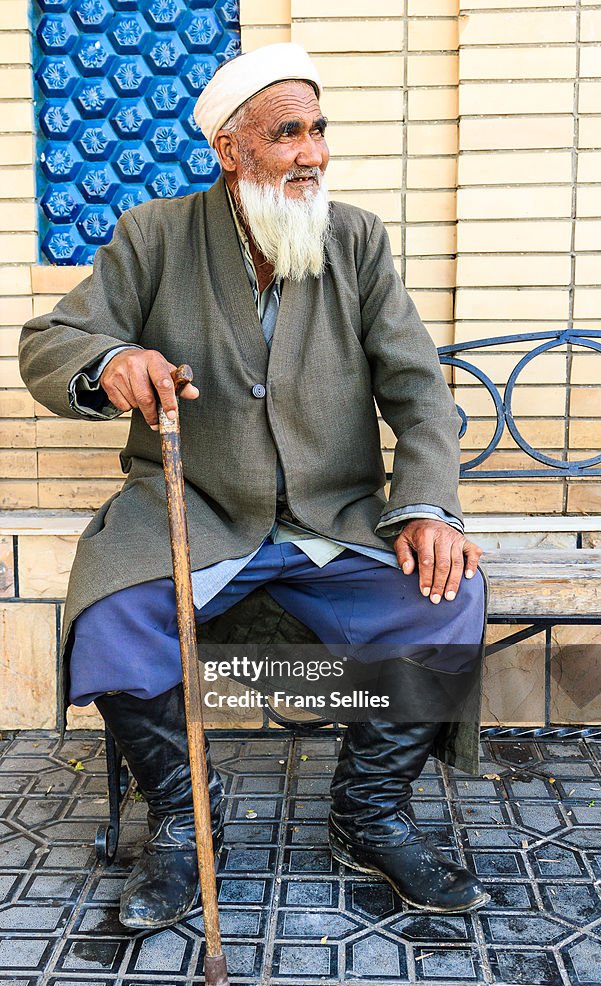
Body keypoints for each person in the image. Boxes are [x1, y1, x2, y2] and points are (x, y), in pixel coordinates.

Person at [19, 42, 490, 931]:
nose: (311, 151)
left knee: (442, 594)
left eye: (318, 130)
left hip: (334, 515)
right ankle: (181, 820)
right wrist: (112, 359)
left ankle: (368, 813)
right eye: (287, 133)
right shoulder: (152, 234)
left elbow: (419, 388)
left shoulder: (352, 239)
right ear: (230, 150)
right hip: (194, 505)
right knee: (112, 609)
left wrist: (426, 504)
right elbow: (51, 340)